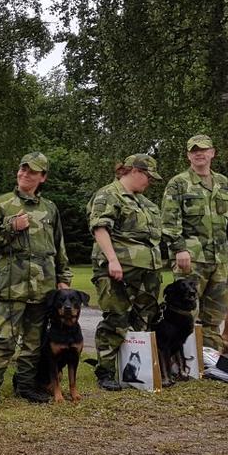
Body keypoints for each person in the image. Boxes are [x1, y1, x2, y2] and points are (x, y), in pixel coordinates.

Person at [0, 152, 72, 407]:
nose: (24, 174)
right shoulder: (2, 203)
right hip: (12, 284)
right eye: (22, 169)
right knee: (3, 339)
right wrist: (10, 227)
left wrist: (64, 279)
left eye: (32, 171)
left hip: (44, 286)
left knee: (33, 341)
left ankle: (26, 386)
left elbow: (59, 245)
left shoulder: (50, 208)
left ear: (43, 177)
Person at [161, 134, 228, 350]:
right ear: (188, 155)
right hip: (191, 259)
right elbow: (169, 221)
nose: (199, 153)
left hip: (219, 259)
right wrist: (179, 249)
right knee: (185, 311)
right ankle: (185, 360)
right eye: (194, 150)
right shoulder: (178, 183)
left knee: (215, 314)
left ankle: (209, 359)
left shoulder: (223, 183)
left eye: (203, 149)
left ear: (212, 153)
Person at [87, 154, 164, 390]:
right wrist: (112, 260)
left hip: (147, 271)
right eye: (148, 177)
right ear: (134, 171)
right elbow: (100, 227)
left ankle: (137, 371)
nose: (149, 182)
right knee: (116, 319)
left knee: (145, 318)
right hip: (118, 268)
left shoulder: (146, 204)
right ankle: (106, 372)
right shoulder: (108, 194)